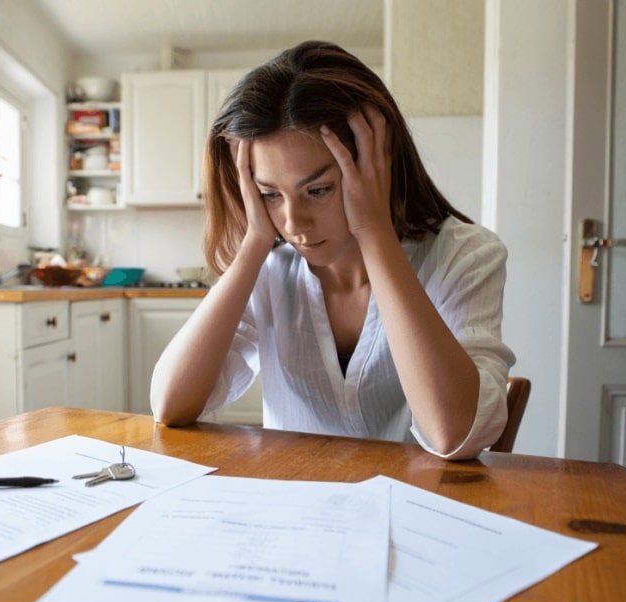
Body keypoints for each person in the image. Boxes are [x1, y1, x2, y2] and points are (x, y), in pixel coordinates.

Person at [150, 41, 515, 460]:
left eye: (318, 190)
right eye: (270, 194)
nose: (294, 224)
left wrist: (373, 230)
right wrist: (253, 245)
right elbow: (169, 405)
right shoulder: (271, 268)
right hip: (296, 514)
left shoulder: (466, 257)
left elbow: (452, 433)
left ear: (377, 164)